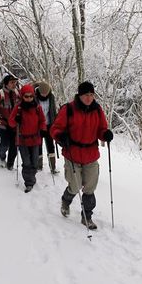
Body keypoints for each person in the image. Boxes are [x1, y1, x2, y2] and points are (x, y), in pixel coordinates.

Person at [50, 81, 113, 230]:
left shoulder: (97, 110)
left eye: (92, 95)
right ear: (80, 95)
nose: (89, 98)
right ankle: (66, 201)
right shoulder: (68, 109)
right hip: (72, 153)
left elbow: (101, 129)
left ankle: (87, 216)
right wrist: (60, 136)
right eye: (86, 95)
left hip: (91, 154)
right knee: (75, 185)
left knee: (90, 187)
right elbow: (55, 128)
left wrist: (106, 134)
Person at [9, 84, 47, 193]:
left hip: (35, 139)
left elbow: (42, 120)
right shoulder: (18, 107)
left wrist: (43, 129)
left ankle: (31, 176)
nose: (29, 98)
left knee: (35, 162)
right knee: (26, 162)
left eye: (31, 96)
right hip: (22, 140)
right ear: (22, 96)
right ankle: (29, 182)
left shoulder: (37, 107)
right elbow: (11, 123)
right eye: (26, 96)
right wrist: (16, 119)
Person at [0, 75, 20, 170]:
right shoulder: (0, 94)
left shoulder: (18, 93)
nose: (14, 84)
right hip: (3, 123)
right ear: (6, 84)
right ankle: (2, 157)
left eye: (15, 82)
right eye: (12, 82)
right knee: (5, 143)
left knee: (15, 145)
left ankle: (10, 165)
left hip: (15, 124)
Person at [34, 81, 59, 173]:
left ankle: (53, 167)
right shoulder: (34, 97)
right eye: (42, 93)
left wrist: (55, 123)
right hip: (38, 125)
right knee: (38, 145)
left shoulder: (51, 97)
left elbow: (53, 110)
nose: (44, 95)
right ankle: (39, 166)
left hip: (49, 124)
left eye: (46, 93)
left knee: (50, 145)